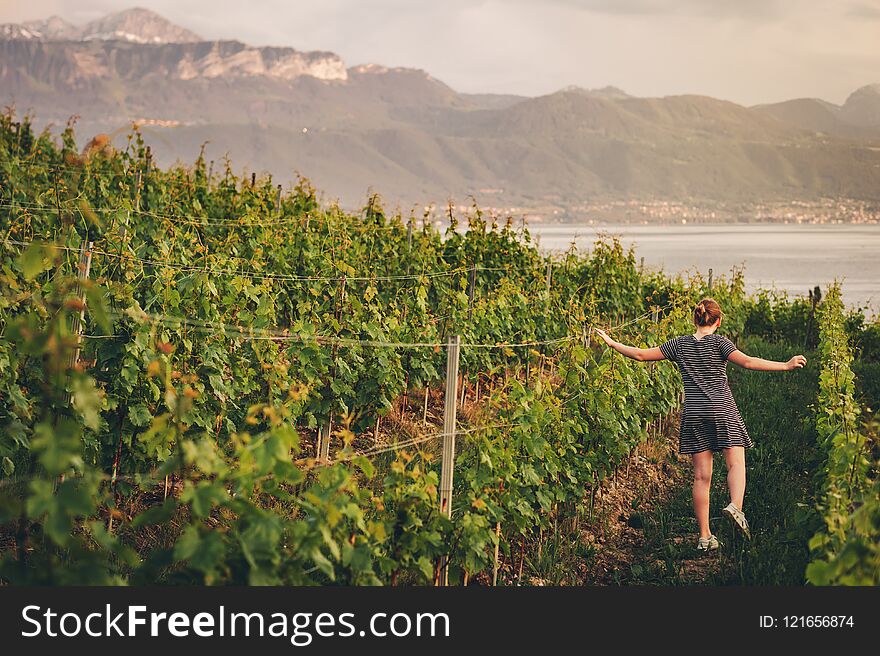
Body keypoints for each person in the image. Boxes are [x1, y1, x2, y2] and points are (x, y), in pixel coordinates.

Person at [593, 298, 807, 551]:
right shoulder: (720, 343)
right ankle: (735, 507)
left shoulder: (679, 345)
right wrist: (785, 364)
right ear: (718, 321)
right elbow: (748, 362)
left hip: (694, 413)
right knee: (736, 463)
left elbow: (641, 355)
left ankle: (705, 537)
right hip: (721, 409)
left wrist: (612, 342)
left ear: (695, 319)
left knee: (701, 477)